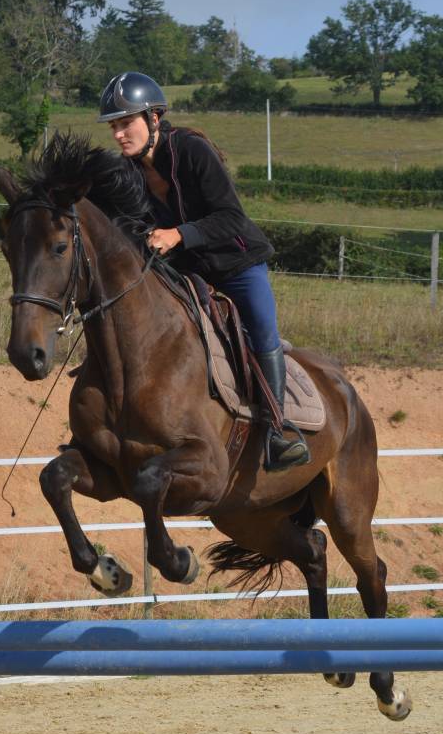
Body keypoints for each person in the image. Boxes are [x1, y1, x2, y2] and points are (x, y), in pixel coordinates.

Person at [98, 71, 310, 470]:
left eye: (125, 123)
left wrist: (178, 234)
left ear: (154, 118)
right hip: (186, 271)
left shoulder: (192, 151)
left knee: (261, 328)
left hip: (236, 263)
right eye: (113, 126)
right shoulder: (127, 171)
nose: (118, 135)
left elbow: (230, 217)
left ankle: (278, 433)